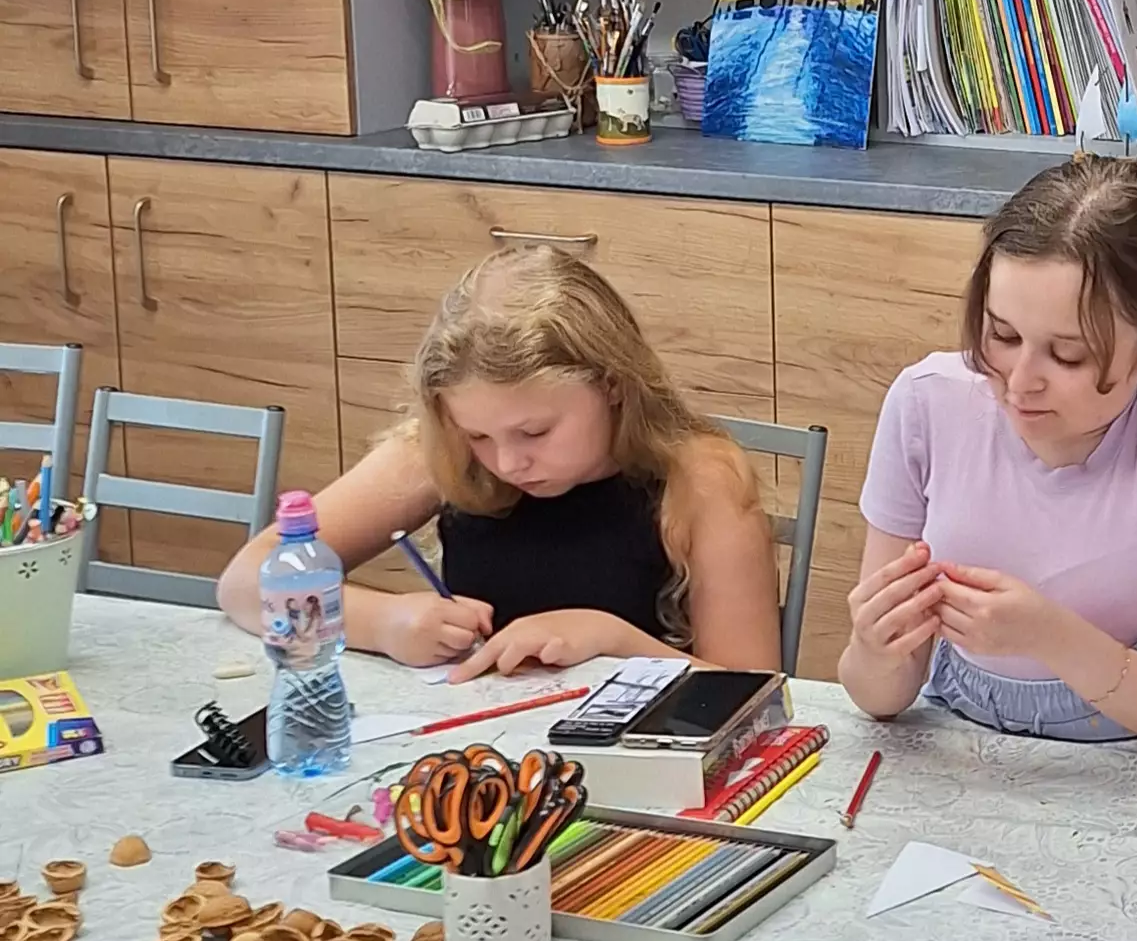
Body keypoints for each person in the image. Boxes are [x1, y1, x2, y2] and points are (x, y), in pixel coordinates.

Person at [837, 157, 1137, 753]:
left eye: (1068, 356)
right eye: (1002, 335)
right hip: (968, 748)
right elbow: (880, 696)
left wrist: (1050, 636)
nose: (1020, 382)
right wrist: (873, 650)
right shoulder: (926, 402)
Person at [214, 246, 779, 679]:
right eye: (479, 434)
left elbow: (757, 695)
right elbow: (244, 582)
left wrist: (611, 640)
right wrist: (382, 622)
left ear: (612, 385)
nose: (509, 462)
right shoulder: (441, 452)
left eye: (535, 431)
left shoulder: (701, 480)